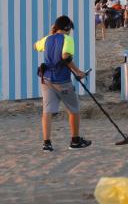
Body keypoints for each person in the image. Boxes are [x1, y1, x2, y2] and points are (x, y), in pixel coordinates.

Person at [33, 15, 91, 152]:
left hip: (46, 79)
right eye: (70, 28)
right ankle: (75, 141)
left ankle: (47, 144)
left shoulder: (48, 38)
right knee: (74, 109)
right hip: (62, 80)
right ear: (67, 28)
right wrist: (78, 72)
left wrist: (50, 35)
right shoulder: (68, 39)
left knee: (47, 111)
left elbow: (35, 46)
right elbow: (65, 56)